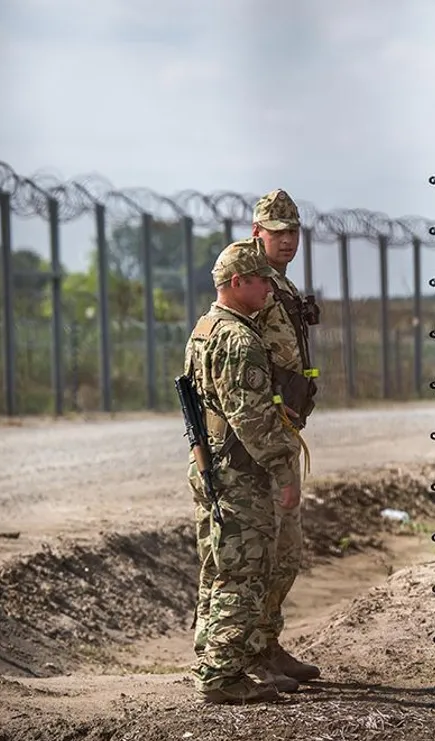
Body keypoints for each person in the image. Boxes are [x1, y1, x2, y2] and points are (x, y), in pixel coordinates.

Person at [184, 237, 304, 705]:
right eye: (260, 283)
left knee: (218, 566)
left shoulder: (205, 328)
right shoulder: (238, 339)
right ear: (238, 283)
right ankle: (221, 676)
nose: (269, 292)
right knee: (245, 571)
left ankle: (212, 656)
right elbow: (251, 418)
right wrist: (283, 471)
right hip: (239, 471)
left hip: (211, 464)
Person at [248, 188, 323, 684]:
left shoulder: (283, 285)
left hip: (284, 428)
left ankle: (267, 643)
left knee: (287, 549)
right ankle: (248, 651)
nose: (288, 240)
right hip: (260, 437)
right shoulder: (251, 285)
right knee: (261, 549)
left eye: (294, 231)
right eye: (278, 232)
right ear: (258, 234)